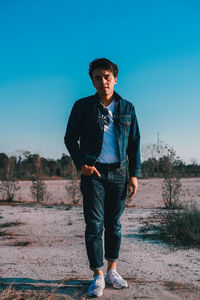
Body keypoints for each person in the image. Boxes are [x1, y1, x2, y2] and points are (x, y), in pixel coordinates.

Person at [64, 58, 141, 297]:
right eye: (98, 77)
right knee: (94, 226)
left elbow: (134, 144)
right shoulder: (82, 106)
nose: (103, 81)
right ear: (93, 81)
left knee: (114, 225)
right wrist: (82, 165)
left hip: (119, 173)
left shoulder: (127, 108)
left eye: (107, 76)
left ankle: (112, 271)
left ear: (115, 79)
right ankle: (97, 275)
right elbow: (70, 139)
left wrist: (134, 175)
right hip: (94, 174)